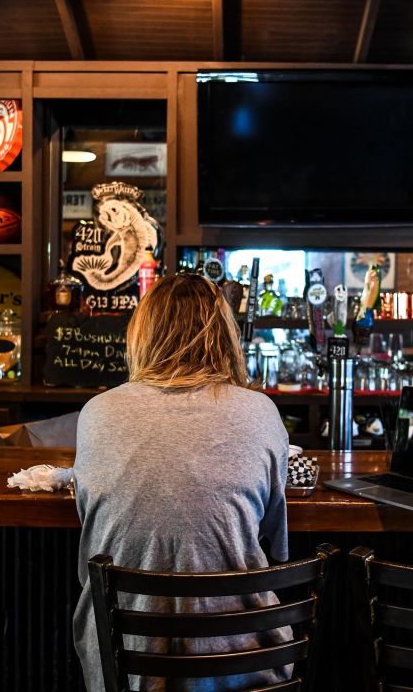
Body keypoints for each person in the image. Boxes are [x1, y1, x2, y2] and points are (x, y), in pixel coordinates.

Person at [73, 273, 291, 692]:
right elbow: (274, 541)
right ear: (225, 335)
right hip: (242, 662)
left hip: (123, 664)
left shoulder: (98, 412)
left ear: (141, 335)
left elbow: (94, 526)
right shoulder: (260, 412)